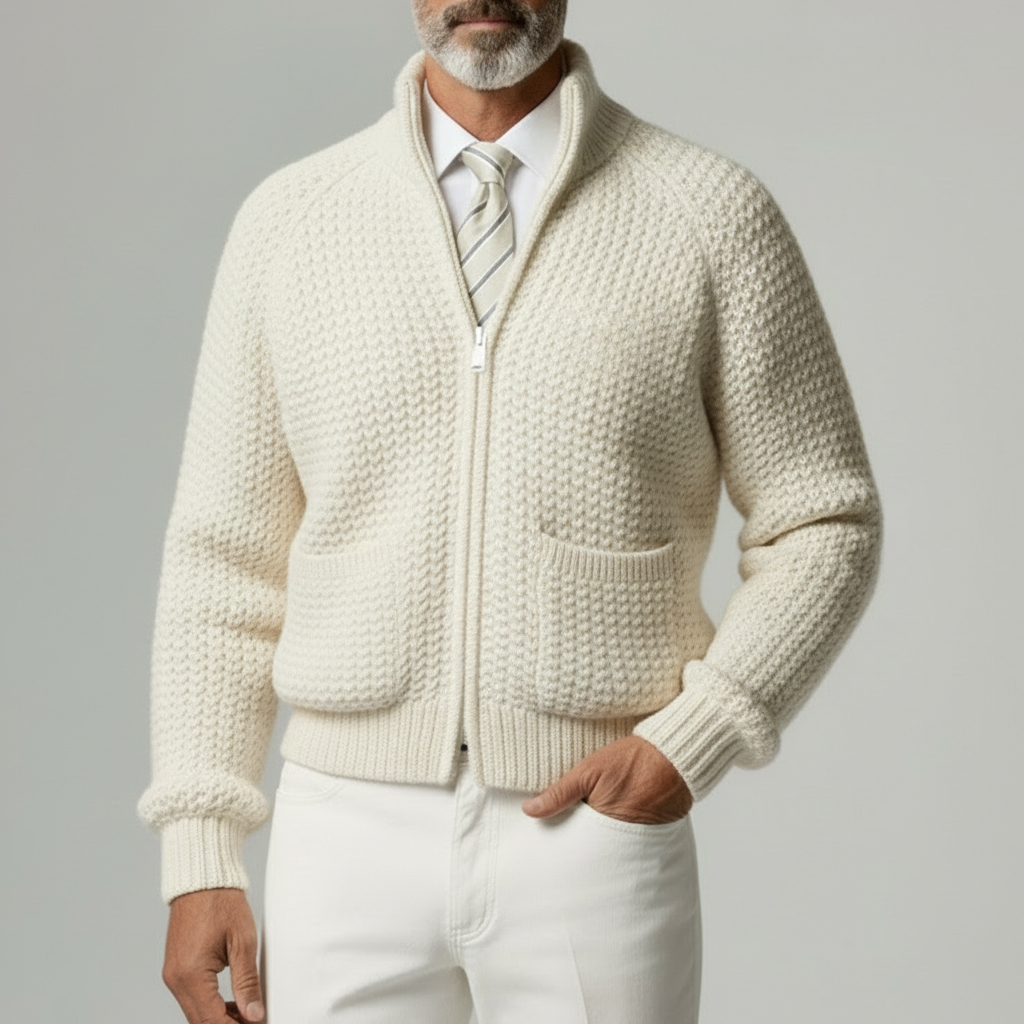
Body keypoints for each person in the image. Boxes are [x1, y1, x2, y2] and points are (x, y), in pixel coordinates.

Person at [137, 2, 883, 1022]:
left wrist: (696, 735)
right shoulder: (292, 220)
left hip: (592, 831)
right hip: (343, 833)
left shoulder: (709, 213)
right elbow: (224, 561)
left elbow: (823, 518)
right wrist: (200, 849)